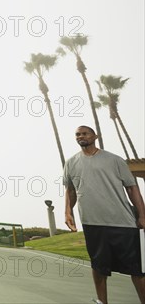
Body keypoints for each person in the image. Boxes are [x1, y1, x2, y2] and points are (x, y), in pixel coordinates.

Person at [64, 125, 145, 304]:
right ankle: (102, 302)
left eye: (85, 133)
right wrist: (68, 212)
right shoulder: (70, 163)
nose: (81, 136)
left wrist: (142, 215)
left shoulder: (115, 160)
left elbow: (132, 189)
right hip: (92, 223)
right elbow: (70, 190)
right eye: (77, 134)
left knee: (137, 269)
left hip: (122, 222)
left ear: (95, 136)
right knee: (98, 266)